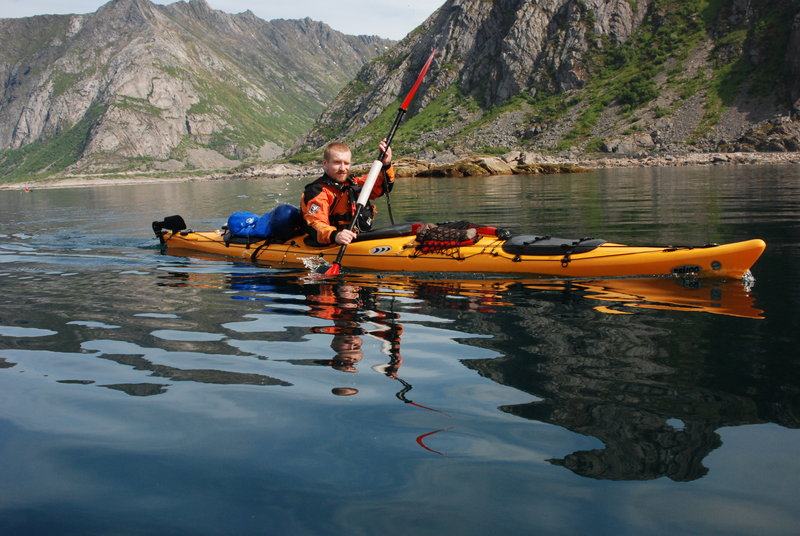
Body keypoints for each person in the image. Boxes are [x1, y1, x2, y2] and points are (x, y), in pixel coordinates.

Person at [301, 139, 394, 246]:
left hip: (358, 238)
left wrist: (386, 164)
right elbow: (315, 222)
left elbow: (381, 186)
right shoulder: (317, 191)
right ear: (325, 164)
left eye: (346, 163)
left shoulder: (353, 183)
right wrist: (335, 235)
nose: (343, 168)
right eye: (337, 163)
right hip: (332, 244)